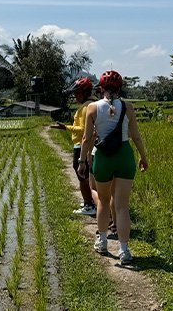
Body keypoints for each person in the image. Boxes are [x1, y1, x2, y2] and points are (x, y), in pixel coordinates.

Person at [79, 70, 149, 264]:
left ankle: (102, 242)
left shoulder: (92, 108)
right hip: (124, 156)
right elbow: (136, 136)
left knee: (103, 200)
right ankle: (124, 251)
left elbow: (86, 139)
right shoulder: (128, 107)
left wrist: (82, 161)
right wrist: (143, 157)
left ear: (101, 88)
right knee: (122, 206)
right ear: (120, 88)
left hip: (103, 157)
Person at [50, 77, 96, 216]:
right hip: (85, 145)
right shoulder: (92, 105)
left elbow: (83, 130)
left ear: (84, 92)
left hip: (81, 145)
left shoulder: (85, 108)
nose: (75, 96)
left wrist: (66, 128)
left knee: (82, 176)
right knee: (87, 175)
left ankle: (89, 204)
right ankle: (90, 201)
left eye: (77, 93)